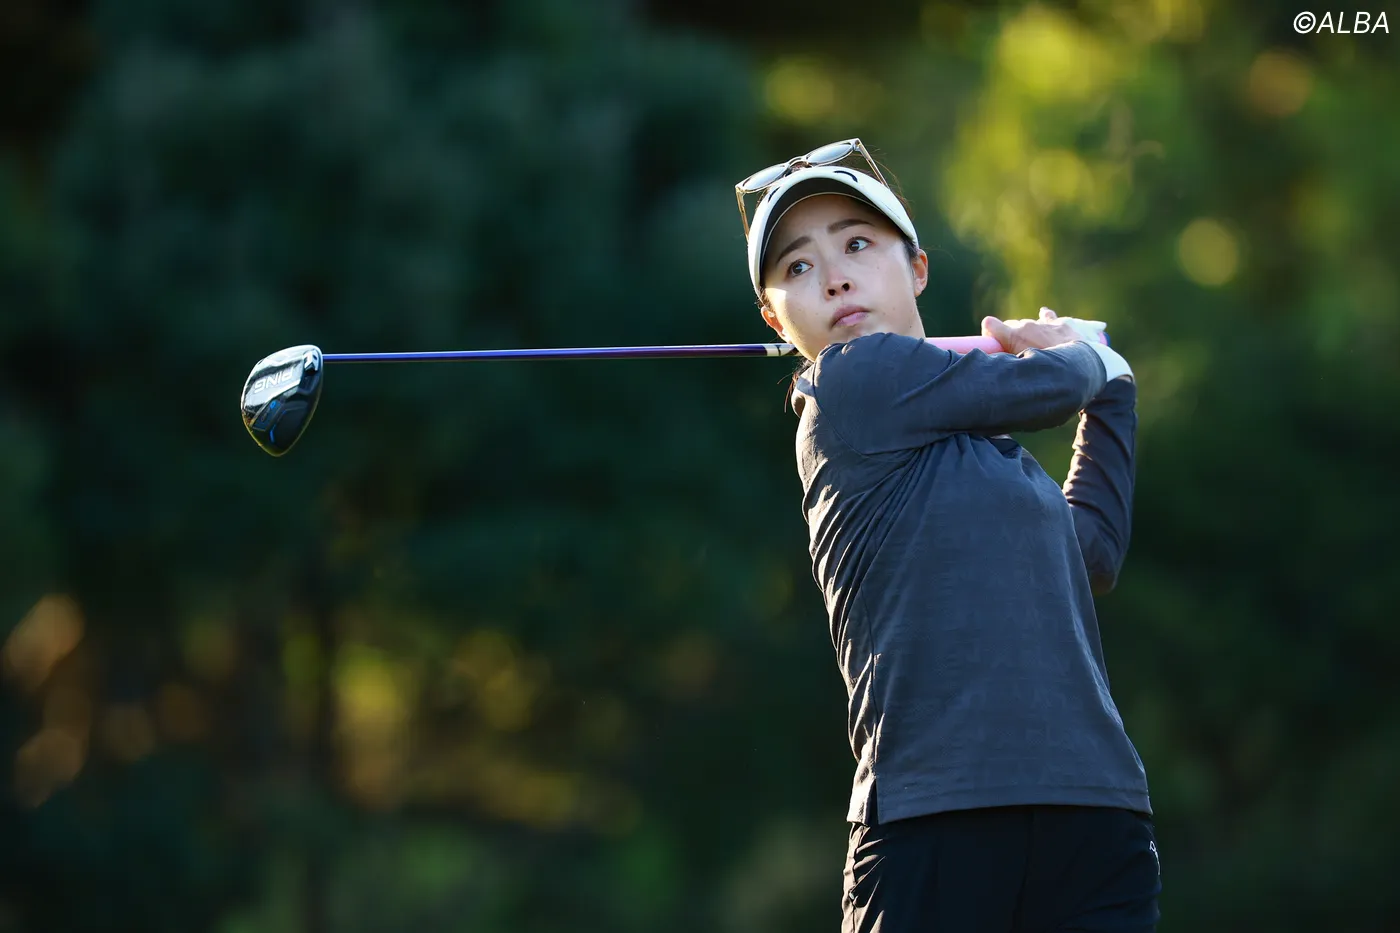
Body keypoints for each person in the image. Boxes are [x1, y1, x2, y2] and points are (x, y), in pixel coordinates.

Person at [734, 139, 1161, 932]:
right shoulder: (846, 385)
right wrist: (1087, 355)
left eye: (857, 244)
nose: (834, 277)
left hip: (1092, 812)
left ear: (918, 268)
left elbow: (1093, 553)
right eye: (798, 266)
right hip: (937, 818)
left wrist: (1116, 394)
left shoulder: (1001, 464)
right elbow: (1055, 383)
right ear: (774, 318)